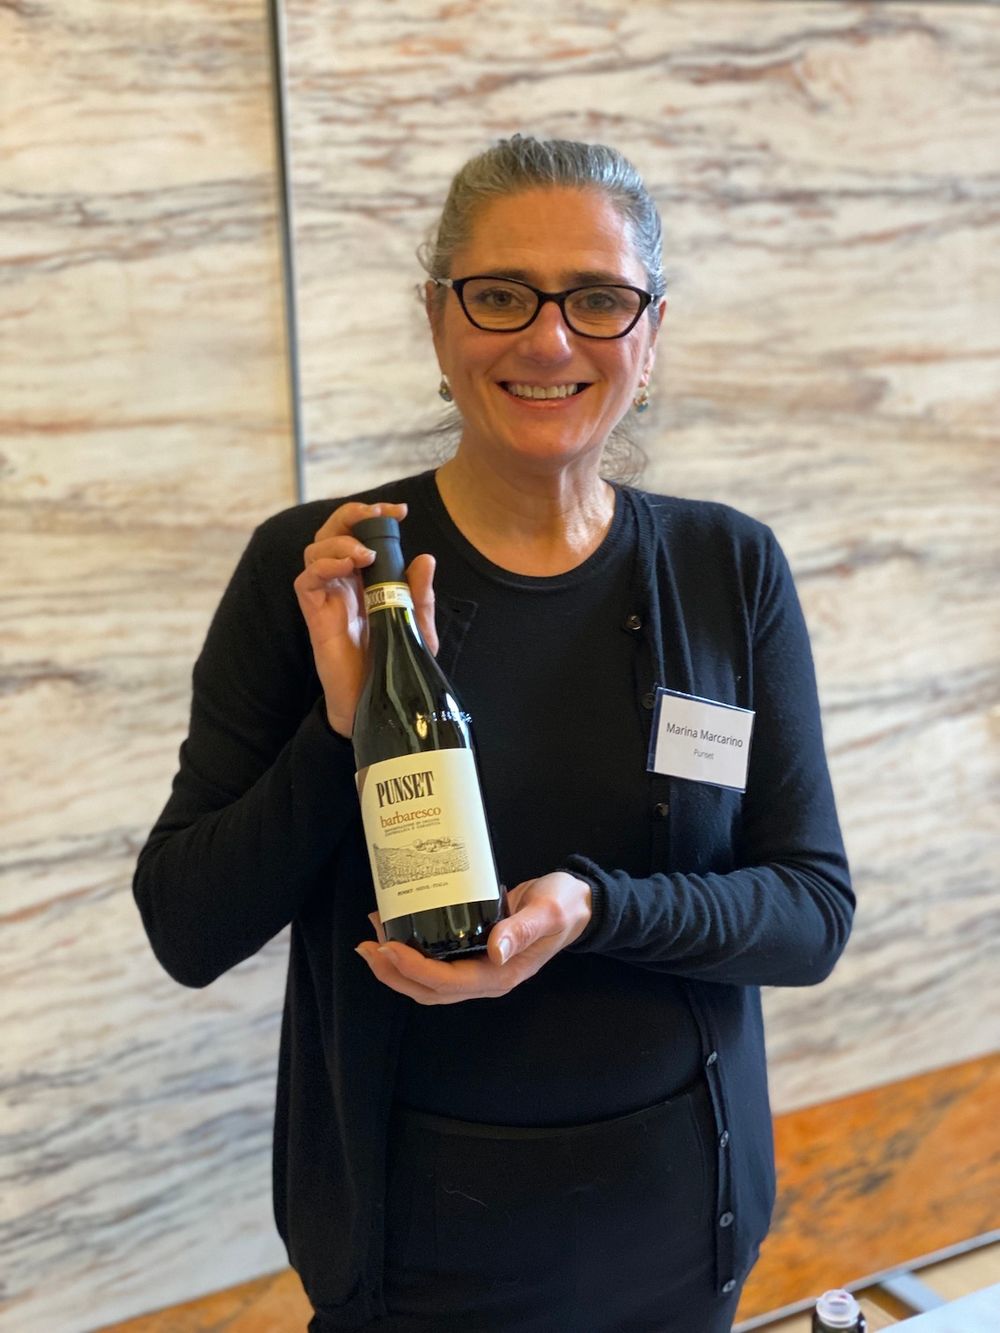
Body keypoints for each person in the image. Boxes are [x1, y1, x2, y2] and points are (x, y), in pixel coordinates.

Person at [134, 135, 854, 1332]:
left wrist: (593, 907)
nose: (549, 340)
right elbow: (187, 928)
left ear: (650, 334)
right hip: (407, 1262)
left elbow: (809, 911)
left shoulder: (725, 566)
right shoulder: (320, 571)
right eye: (502, 294)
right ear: (438, 318)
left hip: (679, 1236)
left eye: (599, 299)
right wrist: (340, 728)